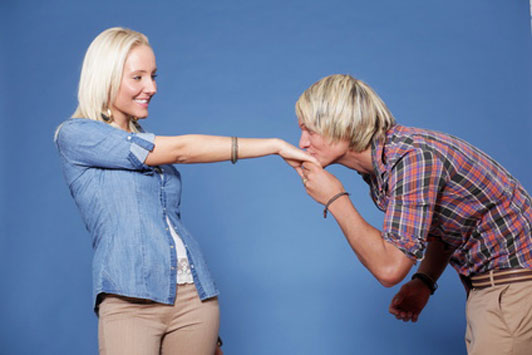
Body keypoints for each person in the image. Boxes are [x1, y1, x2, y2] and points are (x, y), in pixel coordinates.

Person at [55, 27, 317, 355]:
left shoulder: (147, 142)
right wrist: (274, 145)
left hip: (195, 299)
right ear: (105, 78)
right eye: (138, 77)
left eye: (153, 76)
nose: (151, 87)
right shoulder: (77, 136)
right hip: (129, 301)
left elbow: (166, 220)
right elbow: (183, 150)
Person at [294, 74, 532, 355]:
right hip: (497, 290)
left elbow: (389, 269)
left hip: (513, 291)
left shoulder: (412, 160)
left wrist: (334, 198)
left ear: (343, 123)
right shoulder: (385, 165)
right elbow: (446, 226)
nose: (302, 143)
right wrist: (424, 281)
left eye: (310, 130)